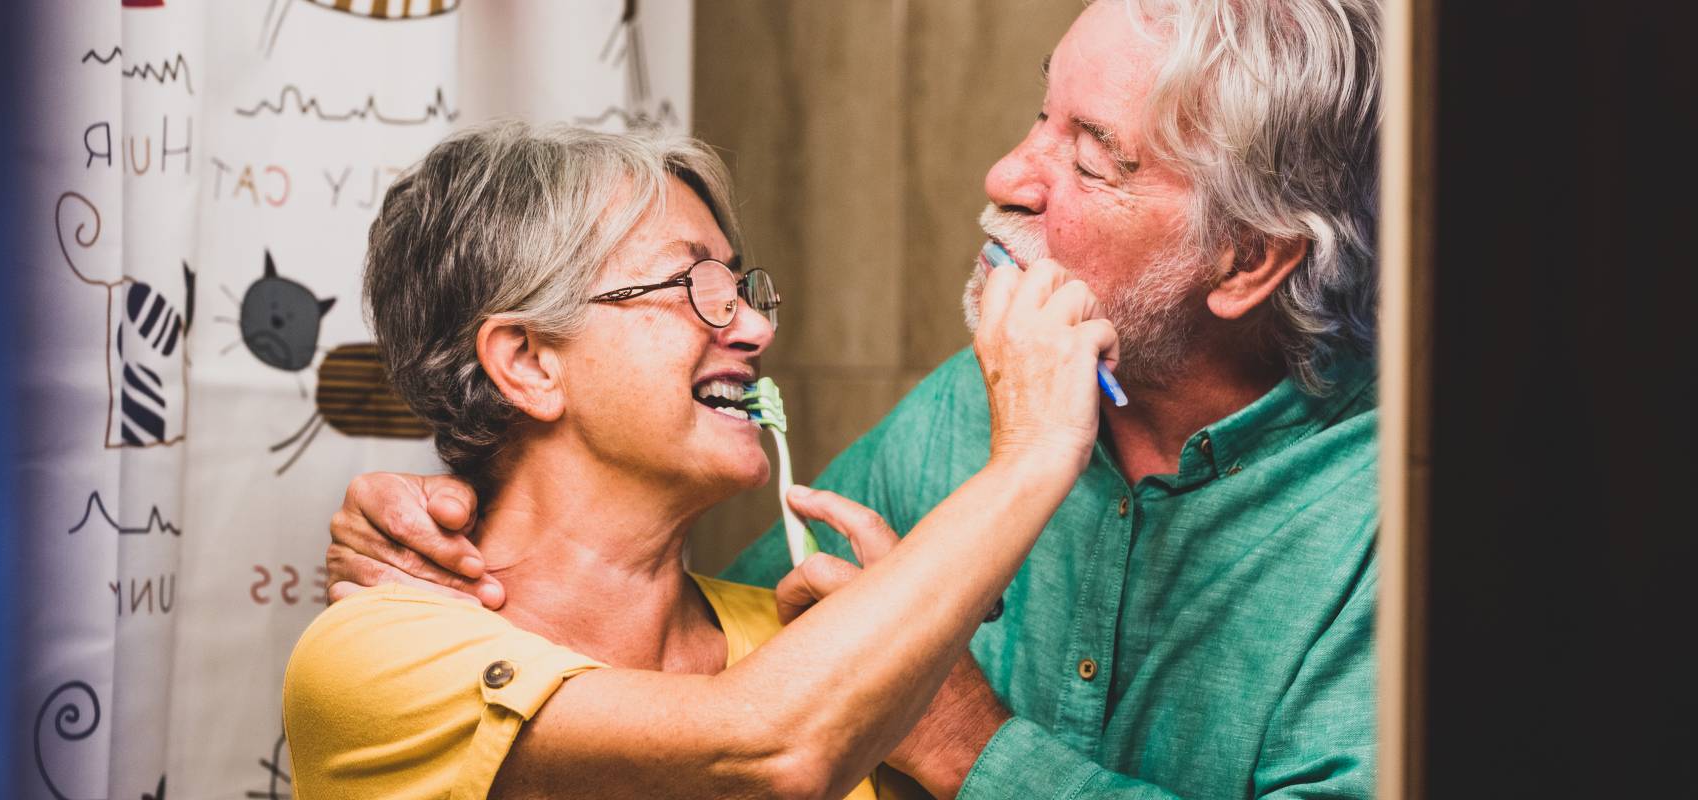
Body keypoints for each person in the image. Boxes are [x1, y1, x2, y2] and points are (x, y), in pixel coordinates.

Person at [325, 0, 1383, 796]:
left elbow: (777, 701)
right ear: (526, 361)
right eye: (1038, 113)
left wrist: (962, 731)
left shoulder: (1401, 524)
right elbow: (671, 652)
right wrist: (416, 550)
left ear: (1249, 258)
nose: (1007, 173)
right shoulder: (962, 418)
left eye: (1092, 156)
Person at [283, 120, 1120, 799]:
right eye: (695, 289)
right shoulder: (376, 657)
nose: (755, 328)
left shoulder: (802, 645)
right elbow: (764, 750)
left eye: (740, 287)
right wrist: (1036, 449)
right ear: (530, 362)